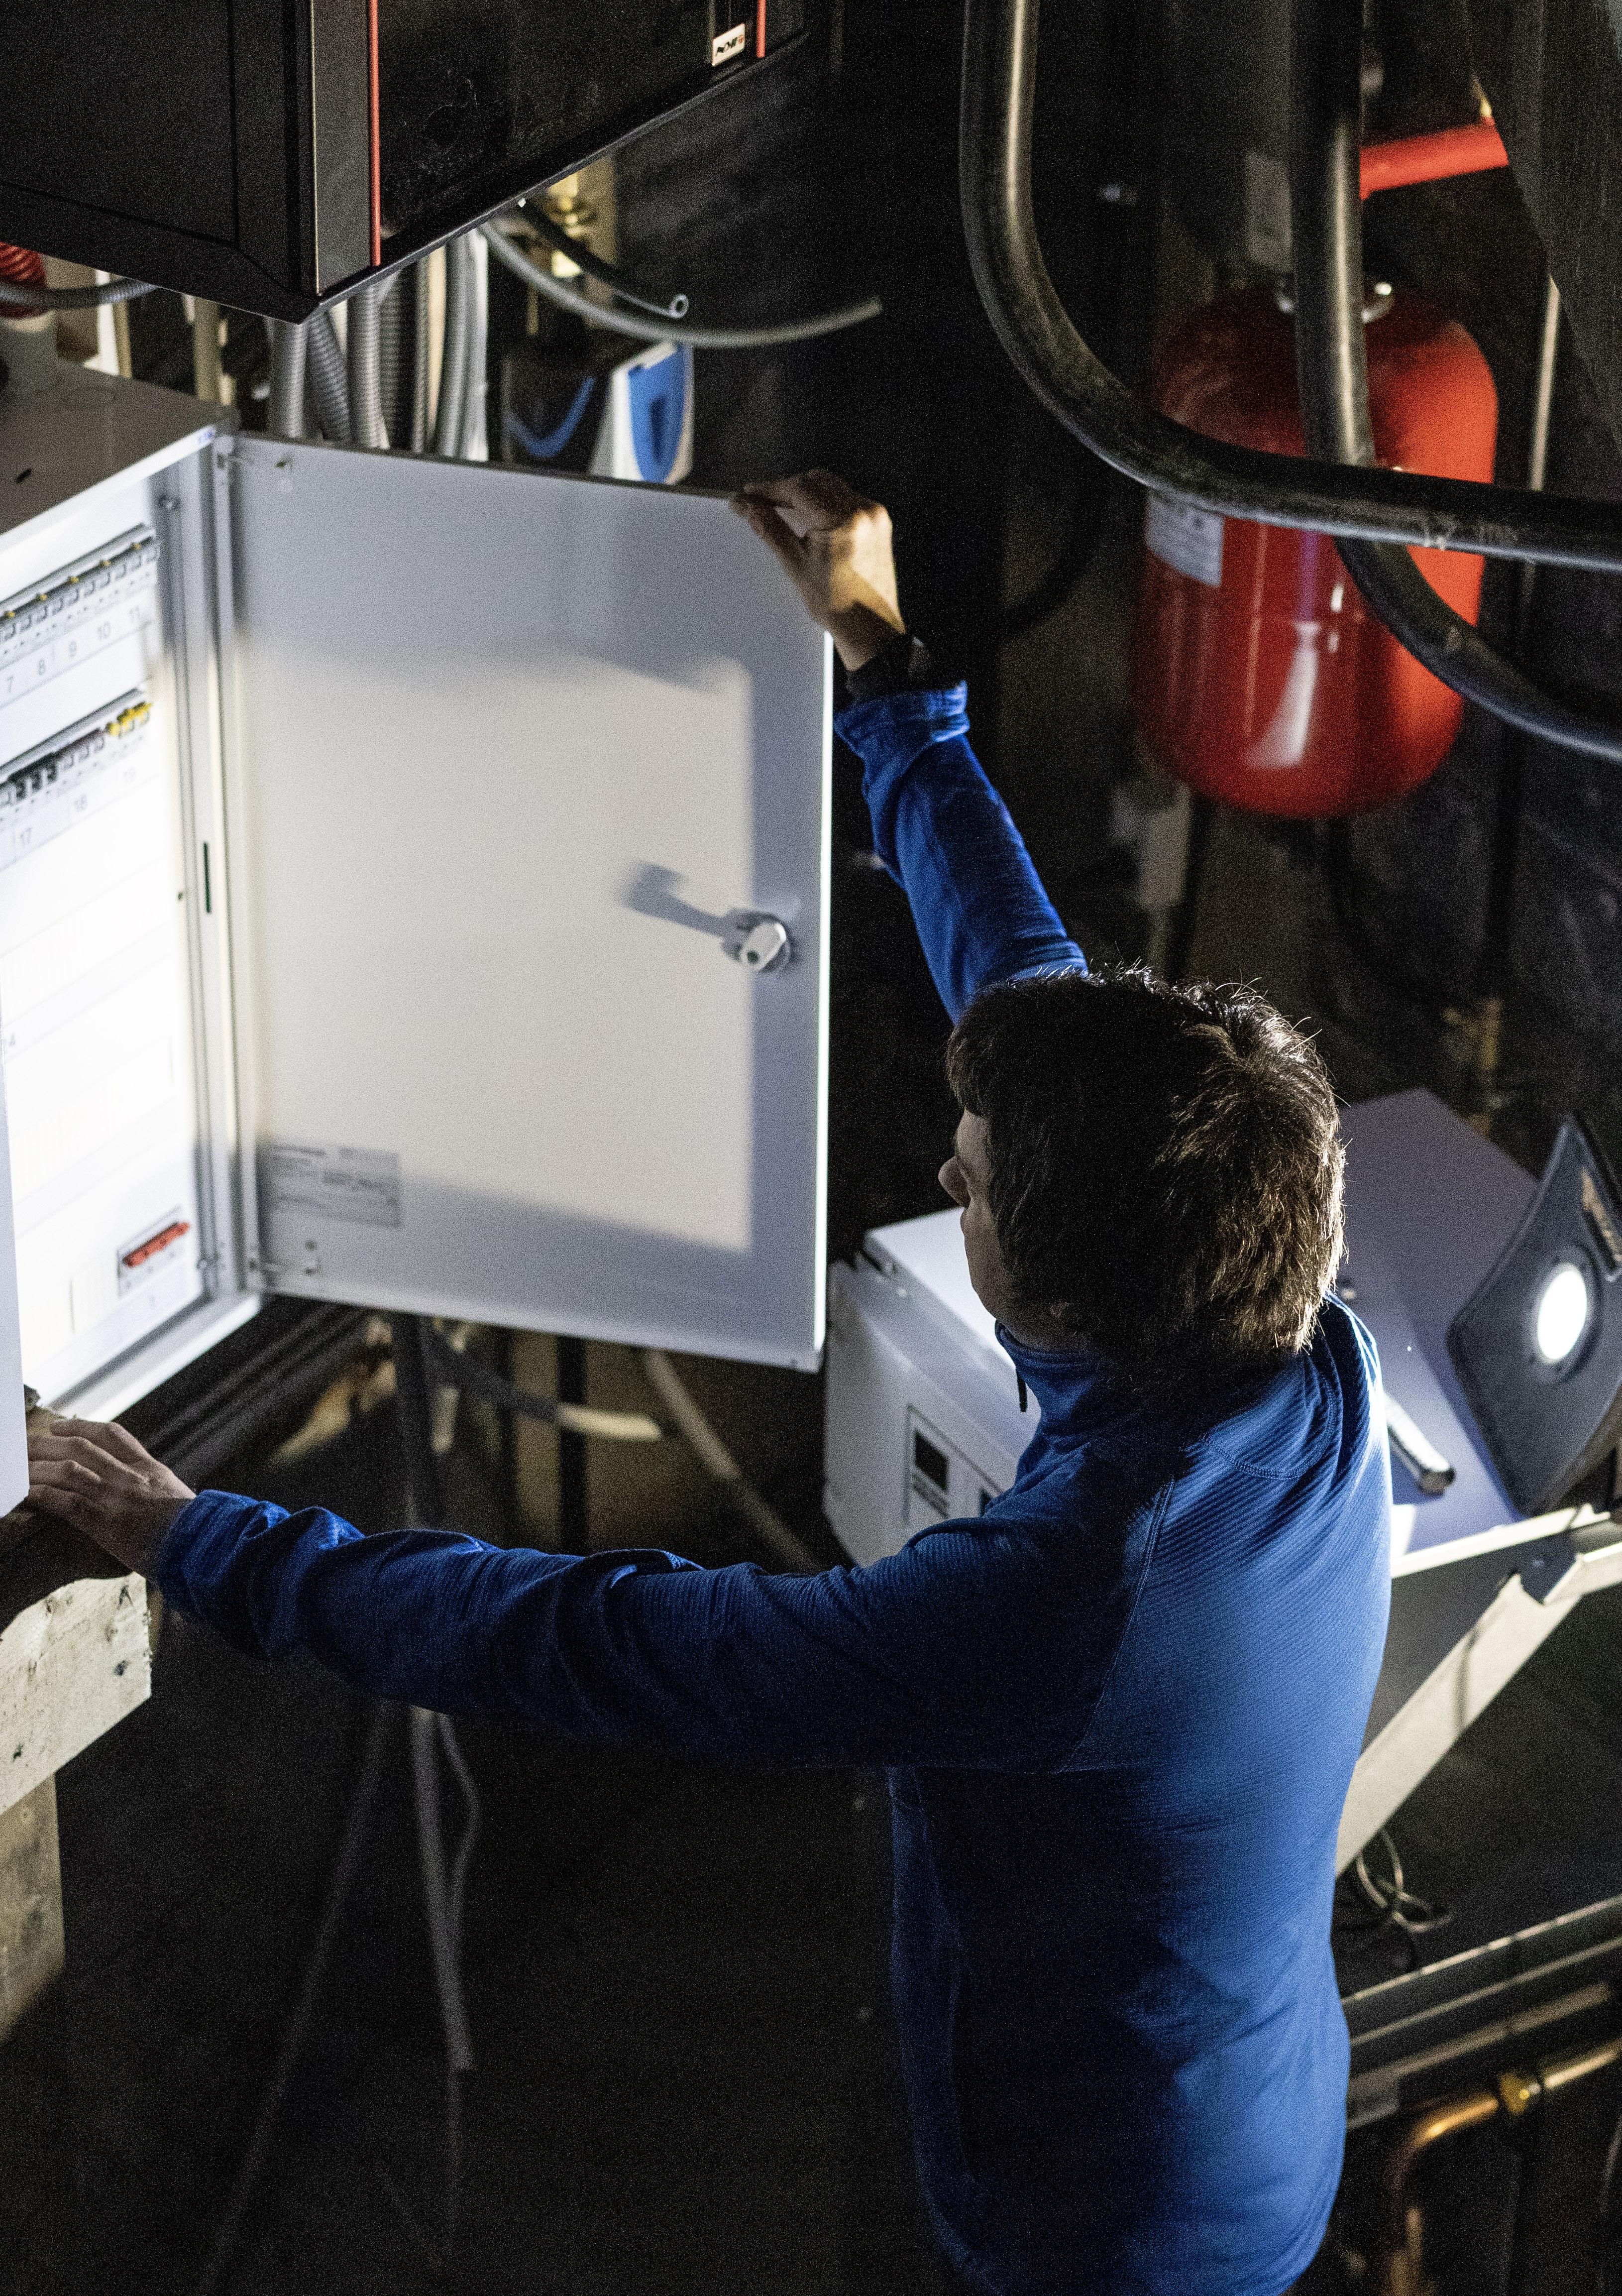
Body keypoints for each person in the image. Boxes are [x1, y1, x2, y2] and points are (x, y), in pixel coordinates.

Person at [27, 471, 1391, 2296]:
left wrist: (209, 1544)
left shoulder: (1062, 1604)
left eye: (973, 1186)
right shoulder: (1289, 1324)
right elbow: (1040, 1002)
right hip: (1258, 2103)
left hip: (1113, 2225)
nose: (947, 1177)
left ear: (1065, 1290)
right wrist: (888, 677)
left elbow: (611, 1641)